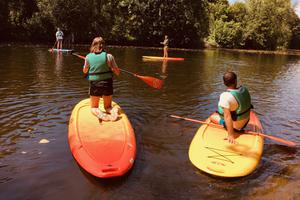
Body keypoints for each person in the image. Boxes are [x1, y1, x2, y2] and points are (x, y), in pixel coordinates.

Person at [83, 37, 120, 121]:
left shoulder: (88, 57)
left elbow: (85, 71)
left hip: (95, 85)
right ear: (104, 46)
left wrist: (88, 64)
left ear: (93, 45)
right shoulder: (109, 56)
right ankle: (113, 111)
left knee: (94, 107)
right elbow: (117, 72)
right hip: (107, 84)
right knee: (108, 107)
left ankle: (102, 115)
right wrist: (112, 68)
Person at [210, 71, 252, 144]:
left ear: (224, 83)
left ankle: (228, 128)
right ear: (236, 81)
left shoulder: (225, 96)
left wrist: (230, 135)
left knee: (212, 117)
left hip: (236, 126)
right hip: (246, 122)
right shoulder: (244, 89)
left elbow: (227, 117)